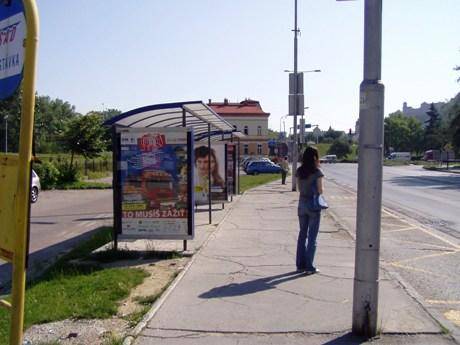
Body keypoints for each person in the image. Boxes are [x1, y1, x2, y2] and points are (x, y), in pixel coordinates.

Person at [296, 147, 324, 275]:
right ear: (315, 157)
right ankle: (309, 266)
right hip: (313, 205)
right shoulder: (317, 172)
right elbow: (320, 190)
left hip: (302, 204)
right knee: (312, 237)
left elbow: (299, 188)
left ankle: (300, 265)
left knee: (302, 234)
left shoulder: (299, 171)